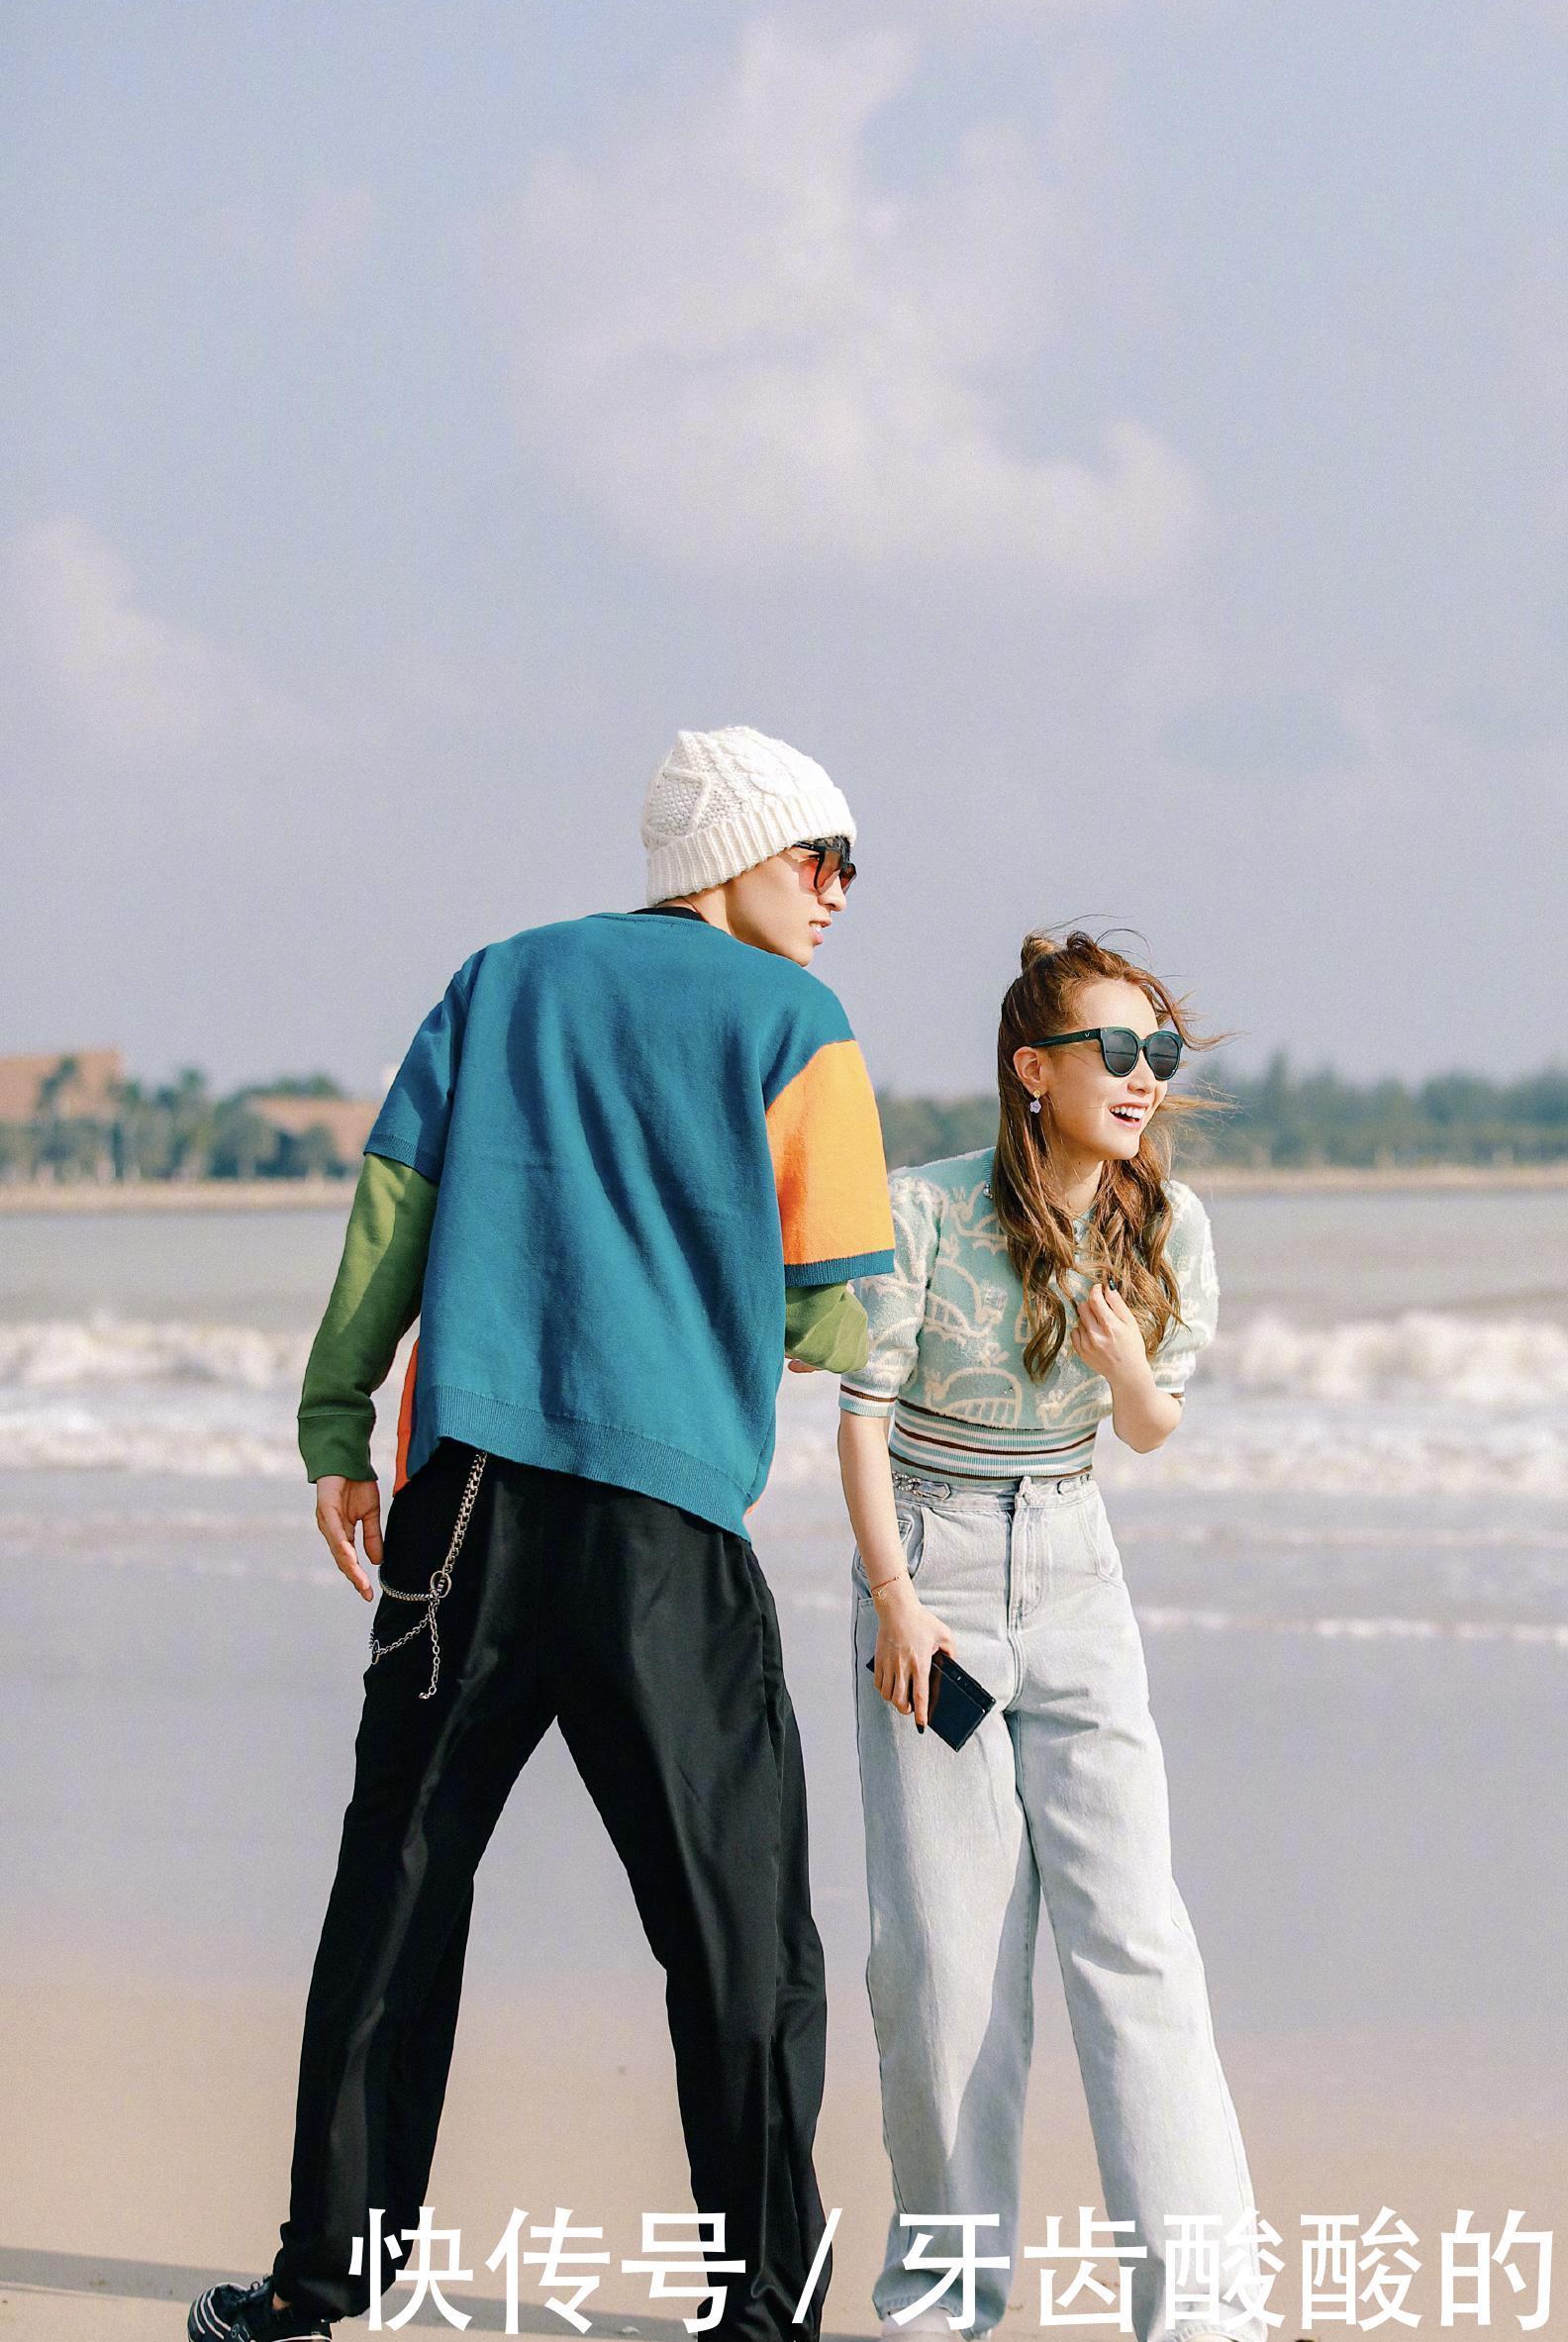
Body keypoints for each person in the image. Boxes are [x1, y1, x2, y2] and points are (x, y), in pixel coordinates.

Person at [190, 725, 896, 2342]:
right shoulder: (798, 1022)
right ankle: (763, 2311)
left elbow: (393, 1208)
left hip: (469, 1512)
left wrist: (333, 1420)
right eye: (821, 858)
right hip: (662, 1538)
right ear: (730, 855)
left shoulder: (499, 978)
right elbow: (833, 1313)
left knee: (401, 1887)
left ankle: (320, 2283)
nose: (841, 894)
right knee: (738, 1932)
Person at [834, 930, 1268, 2342]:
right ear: (1034, 1069)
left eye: (1159, 1053)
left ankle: (1203, 2309)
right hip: (933, 1573)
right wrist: (898, 1598)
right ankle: (943, 2304)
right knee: (946, 1962)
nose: (1142, 1079)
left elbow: (1151, 1427)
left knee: (1137, 1940)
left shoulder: (1172, 1227)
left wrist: (1129, 1366)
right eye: (1115, 1051)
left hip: (1079, 1573)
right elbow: (857, 1415)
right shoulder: (924, 1211)